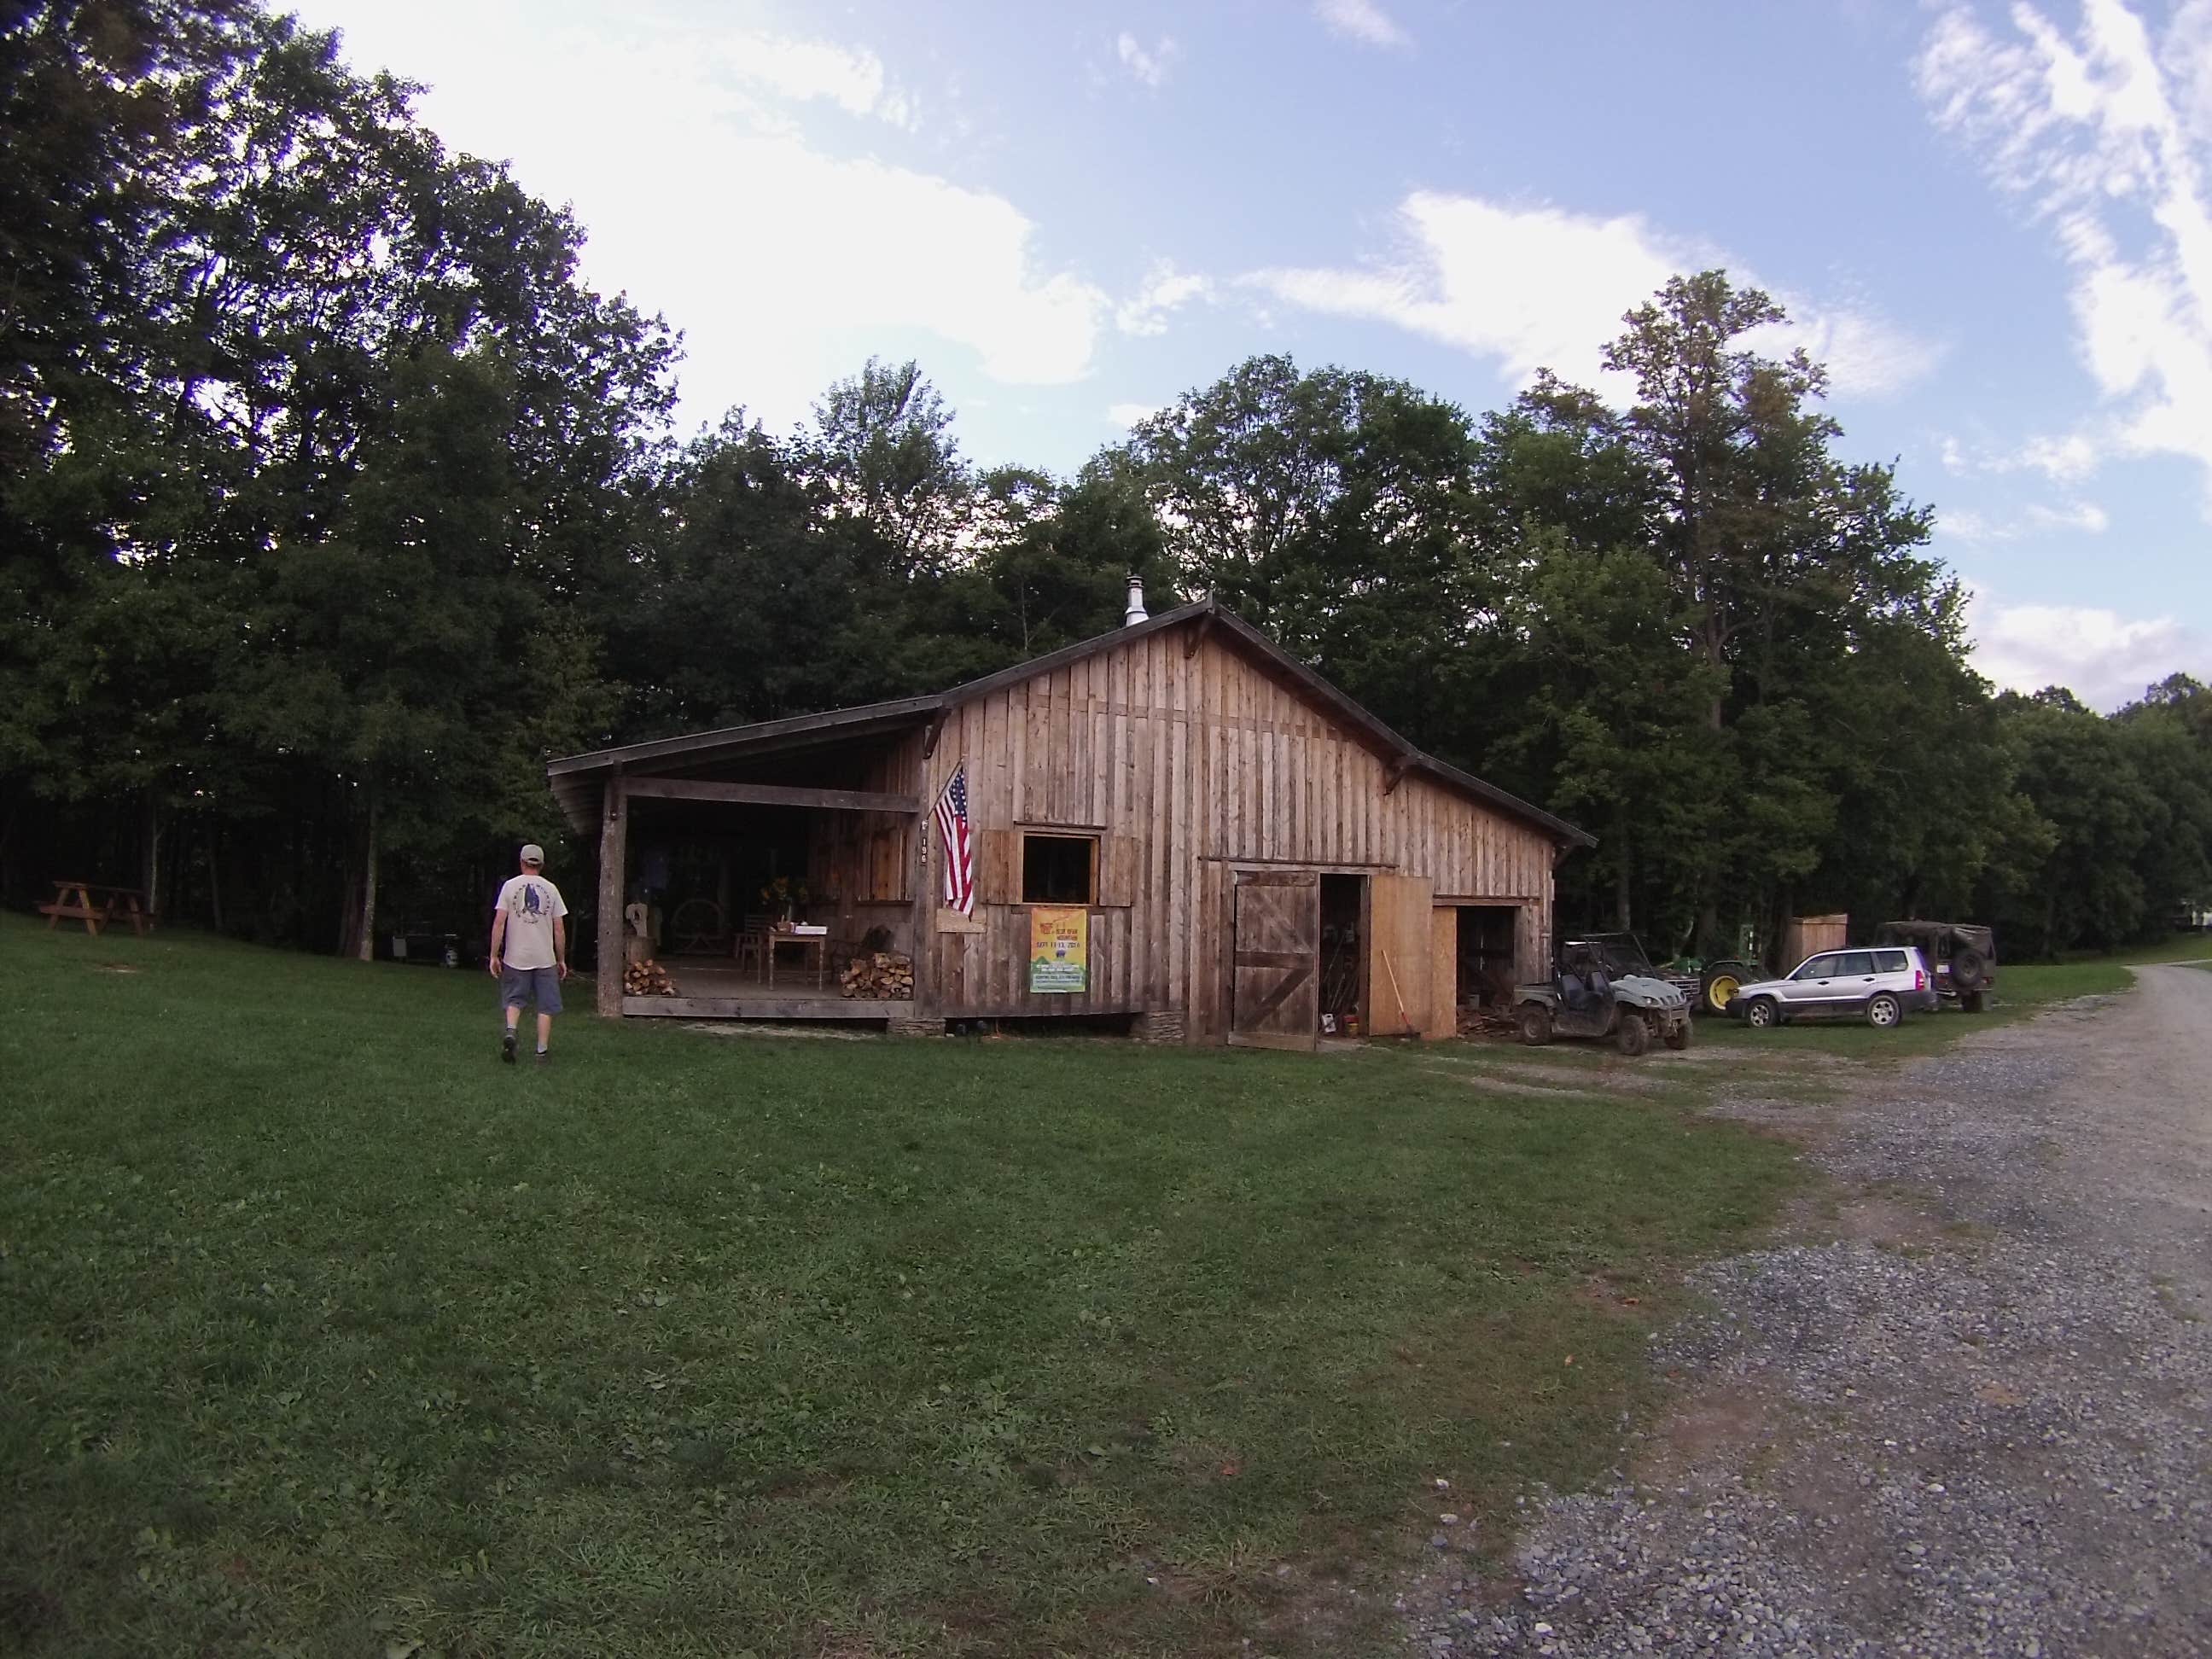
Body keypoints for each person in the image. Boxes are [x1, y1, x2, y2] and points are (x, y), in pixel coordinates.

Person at [489, 843, 568, 1063]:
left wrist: (494, 955)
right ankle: (541, 1052)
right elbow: (559, 928)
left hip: (516, 956)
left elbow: (499, 923)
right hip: (544, 958)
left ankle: (511, 1031)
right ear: (541, 865)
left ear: (522, 862)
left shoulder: (509, 886)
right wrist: (561, 959)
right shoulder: (551, 889)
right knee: (545, 1005)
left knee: (514, 998)